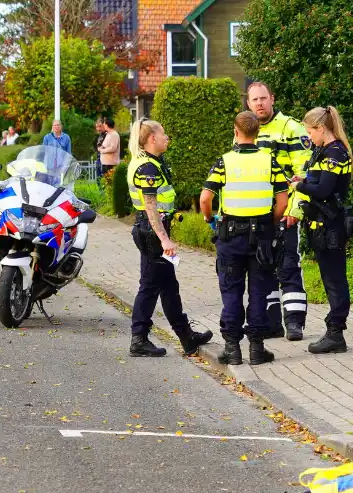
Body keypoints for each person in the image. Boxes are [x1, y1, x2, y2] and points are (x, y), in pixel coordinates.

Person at [200, 111, 290, 366]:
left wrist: (210, 219)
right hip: (262, 235)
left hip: (231, 236)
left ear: (236, 132)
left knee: (231, 291)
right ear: (257, 133)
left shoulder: (224, 162)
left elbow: (205, 199)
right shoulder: (270, 161)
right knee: (259, 291)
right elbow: (282, 202)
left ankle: (232, 349)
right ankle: (256, 349)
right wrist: (269, 223)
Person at [126, 118, 213, 358]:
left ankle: (186, 337)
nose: (167, 138)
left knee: (166, 286)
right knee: (151, 286)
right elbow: (150, 207)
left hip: (150, 230)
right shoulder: (148, 169)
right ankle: (140, 338)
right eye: (163, 134)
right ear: (152, 138)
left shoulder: (151, 162)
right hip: (152, 232)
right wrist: (164, 239)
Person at [247, 82, 312, 342]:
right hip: (257, 213)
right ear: (248, 103)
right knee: (263, 267)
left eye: (264, 98)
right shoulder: (246, 129)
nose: (260, 103)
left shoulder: (291, 128)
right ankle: (272, 323)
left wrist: (296, 210)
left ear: (272, 99)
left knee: (288, 265)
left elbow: (305, 174)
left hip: (285, 210)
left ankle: (294, 322)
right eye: (255, 100)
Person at [296, 106, 353, 354]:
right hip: (321, 225)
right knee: (330, 278)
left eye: (310, 131)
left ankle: (335, 333)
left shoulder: (335, 153)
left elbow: (323, 191)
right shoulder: (324, 151)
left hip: (331, 226)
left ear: (321, 128)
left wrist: (300, 185)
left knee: (335, 279)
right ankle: (334, 331)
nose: (309, 137)